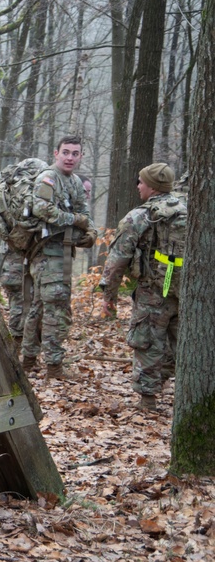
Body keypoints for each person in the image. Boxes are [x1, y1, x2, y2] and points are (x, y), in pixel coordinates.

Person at [99, 163, 182, 411]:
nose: (137, 186)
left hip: (152, 291)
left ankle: (148, 401)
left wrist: (109, 295)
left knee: (147, 343)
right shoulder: (190, 211)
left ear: (152, 187)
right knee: (182, 343)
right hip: (184, 292)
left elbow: (117, 260)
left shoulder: (140, 216)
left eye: (140, 182)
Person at [20, 136, 97, 379]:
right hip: (46, 253)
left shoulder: (74, 181)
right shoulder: (48, 177)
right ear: (56, 153)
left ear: (81, 156)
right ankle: (53, 367)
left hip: (63, 253)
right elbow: (42, 208)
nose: (70, 157)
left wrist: (92, 232)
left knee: (41, 307)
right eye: (66, 152)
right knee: (55, 308)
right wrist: (75, 221)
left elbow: (84, 212)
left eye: (75, 153)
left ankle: (29, 360)